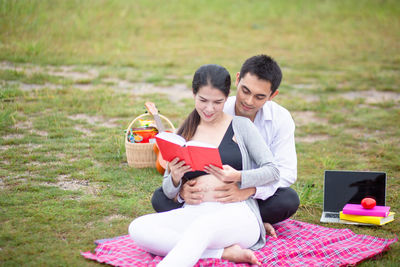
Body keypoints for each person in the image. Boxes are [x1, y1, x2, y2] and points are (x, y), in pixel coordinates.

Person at [129, 64, 280, 266]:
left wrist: (239, 176)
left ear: (227, 98)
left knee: (203, 227)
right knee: (139, 227)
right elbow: (167, 189)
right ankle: (220, 253)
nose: (209, 109)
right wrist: (175, 179)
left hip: (237, 214)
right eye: (203, 100)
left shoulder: (241, 126)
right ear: (194, 94)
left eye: (217, 102)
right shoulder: (185, 131)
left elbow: (273, 171)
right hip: (194, 212)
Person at [152, 55, 300, 245]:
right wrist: (180, 191)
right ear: (237, 80)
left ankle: (244, 223)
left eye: (259, 96)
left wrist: (247, 189)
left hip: (246, 195)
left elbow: (284, 172)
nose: (248, 100)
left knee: (287, 199)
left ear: (272, 96)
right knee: (159, 197)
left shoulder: (277, 120)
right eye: (245, 90)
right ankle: (224, 228)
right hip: (200, 201)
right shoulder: (211, 108)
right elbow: (176, 171)